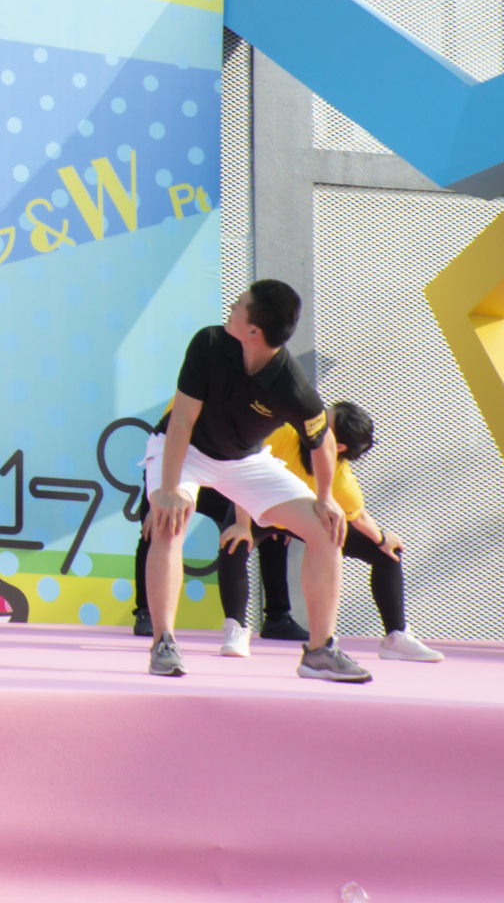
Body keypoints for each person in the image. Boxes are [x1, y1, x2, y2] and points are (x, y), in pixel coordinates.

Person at [141, 280, 368, 682]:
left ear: (253, 331)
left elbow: (322, 441)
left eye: (239, 304)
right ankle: (164, 643)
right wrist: (170, 490)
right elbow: (182, 422)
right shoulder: (209, 344)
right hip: (186, 450)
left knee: (326, 528)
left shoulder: (291, 385)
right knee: (169, 520)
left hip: (245, 460)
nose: (231, 306)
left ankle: (319, 652)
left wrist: (326, 497)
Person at [236, 401, 443, 663]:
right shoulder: (287, 431)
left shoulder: (342, 482)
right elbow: (244, 467)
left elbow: (360, 517)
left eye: (326, 423)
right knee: (234, 539)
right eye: (323, 414)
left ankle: (396, 636)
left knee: (387, 554)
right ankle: (235, 629)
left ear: (339, 447)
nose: (316, 422)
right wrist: (242, 523)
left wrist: (382, 539)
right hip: (262, 508)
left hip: (307, 522)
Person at [130, 488, 256, 654]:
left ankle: (277, 618)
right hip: (180, 483)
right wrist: (156, 506)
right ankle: (146, 614)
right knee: (159, 524)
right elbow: (160, 472)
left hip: (222, 483)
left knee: (254, 529)